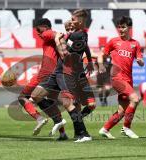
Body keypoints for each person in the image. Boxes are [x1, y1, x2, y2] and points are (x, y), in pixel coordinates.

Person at [31, 9, 95, 142]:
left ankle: (83, 134)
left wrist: (58, 39)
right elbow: (85, 47)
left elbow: (65, 55)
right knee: (36, 95)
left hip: (65, 72)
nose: (70, 22)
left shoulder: (76, 36)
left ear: (81, 21)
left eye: (73, 20)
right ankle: (58, 120)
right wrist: (89, 60)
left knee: (68, 103)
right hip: (58, 71)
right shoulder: (82, 34)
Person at [18, 18, 67, 140]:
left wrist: (58, 36)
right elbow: (60, 37)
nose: (39, 34)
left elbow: (58, 35)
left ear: (45, 27)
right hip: (54, 73)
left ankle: (39, 119)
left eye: (39, 30)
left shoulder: (47, 33)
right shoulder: (50, 38)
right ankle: (62, 133)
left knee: (23, 97)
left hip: (45, 72)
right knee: (48, 102)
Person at [98, 16, 144, 139]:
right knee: (135, 99)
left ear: (129, 28)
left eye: (123, 27)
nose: (121, 29)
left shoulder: (135, 44)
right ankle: (127, 128)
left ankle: (105, 129)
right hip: (117, 78)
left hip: (128, 79)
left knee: (122, 110)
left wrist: (140, 61)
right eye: (119, 27)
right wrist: (101, 65)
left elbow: (141, 60)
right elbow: (101, 55)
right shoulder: (113, 41)